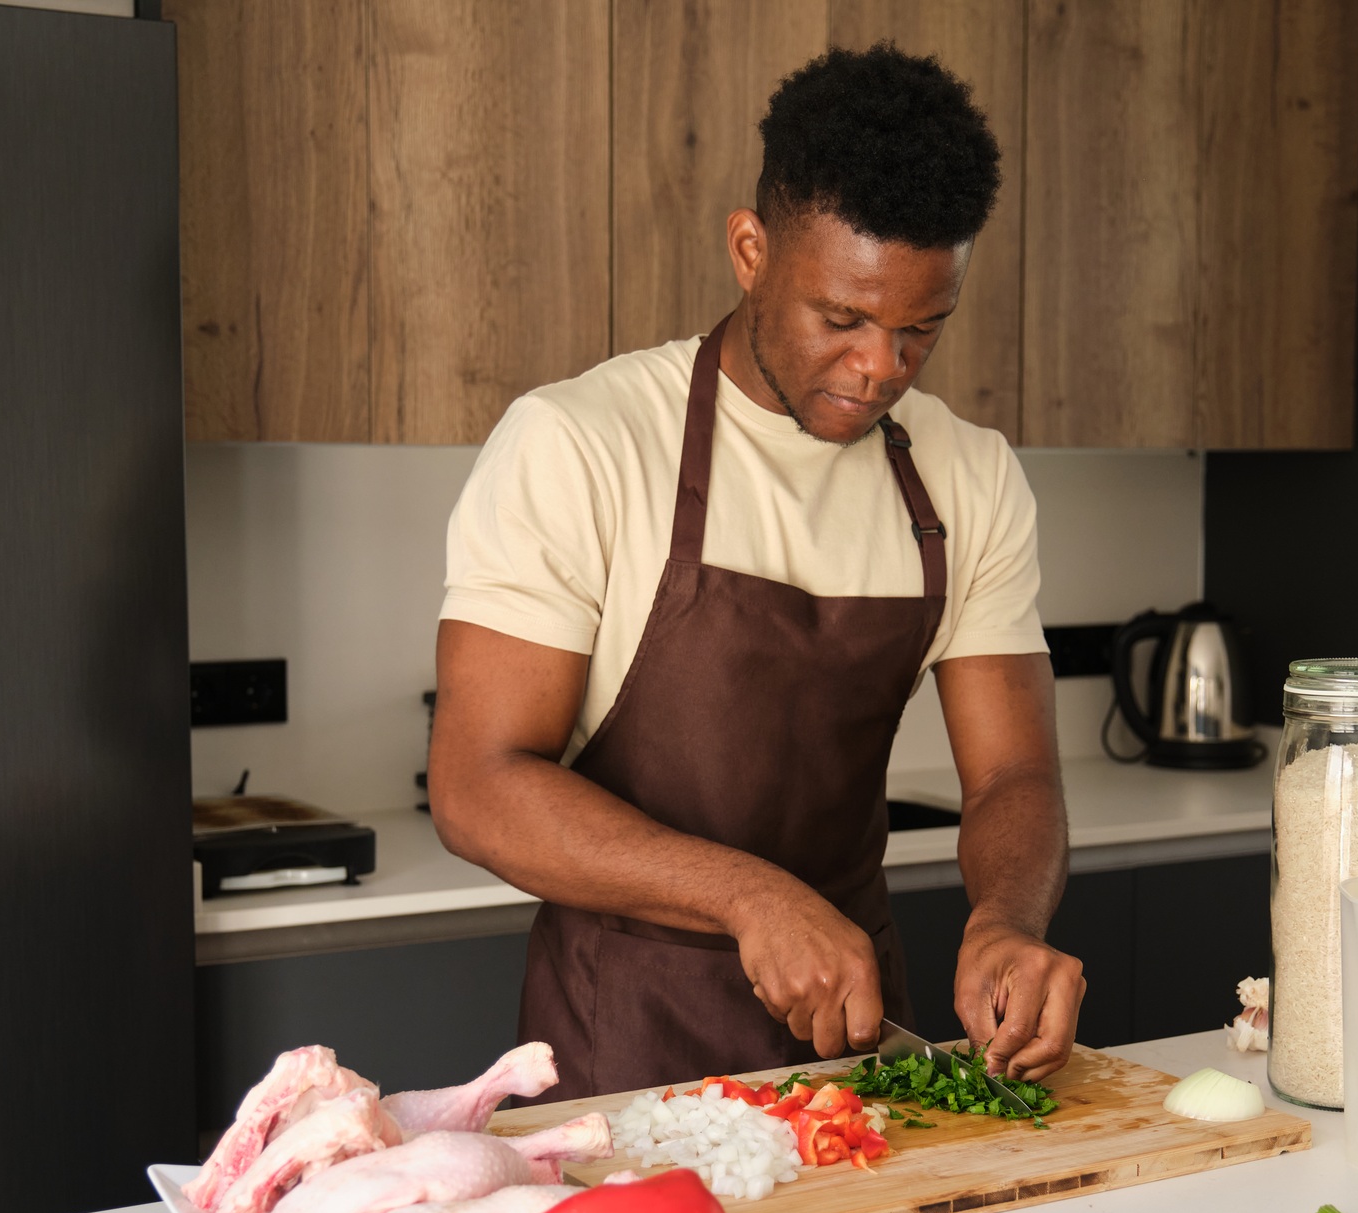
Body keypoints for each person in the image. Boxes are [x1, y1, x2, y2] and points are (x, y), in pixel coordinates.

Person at [431, 43, 1082, 1101]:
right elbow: (476, 785)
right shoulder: (579, 443)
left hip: (860, 1040)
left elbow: (1010, 777)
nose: (880, 368)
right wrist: (748, 896)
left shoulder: (968, 475)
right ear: (748, 250)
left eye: (921, 330)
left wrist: (1005, 923)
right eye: (841, 319)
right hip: (623, 1046)